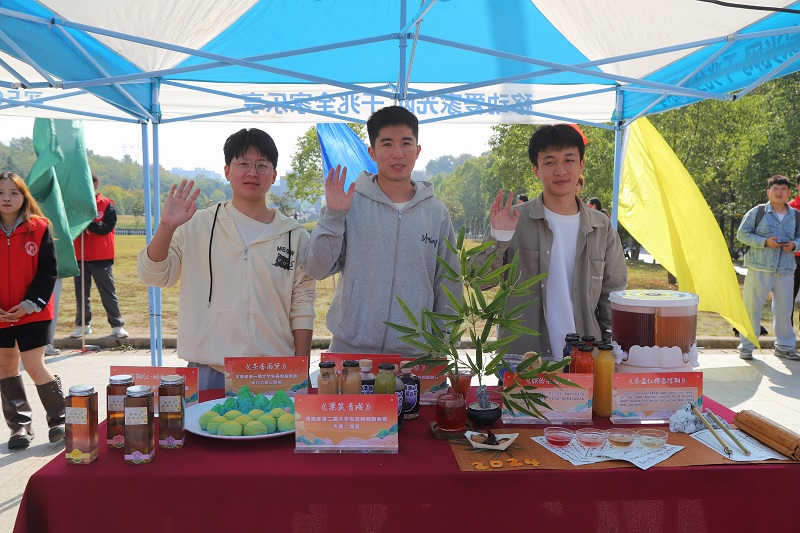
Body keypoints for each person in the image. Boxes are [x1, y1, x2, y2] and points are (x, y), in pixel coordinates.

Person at [137, 129, 317, 390]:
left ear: (274, 175)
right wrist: (166, 227)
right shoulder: (196, 224)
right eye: (243, 164)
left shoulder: (294, 235)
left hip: (274, 372)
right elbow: (154, 275)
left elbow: (302, 306)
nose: (252, 172)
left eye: (262, 165)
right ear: (227, 171)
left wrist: (301, 369)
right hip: (210, 370)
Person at [301, 106, 461, 356]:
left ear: (418, 150)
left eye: (406, 143)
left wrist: (443, 346)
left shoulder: (436, 213)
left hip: (416, 355)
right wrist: (334, 215)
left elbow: (448, 284)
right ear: (372, 152)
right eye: (387, 144)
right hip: (350, 353)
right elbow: (316, 268)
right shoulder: (347, 203)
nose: (398, 153)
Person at [471, 124, 628, 360]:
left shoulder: (601, 227)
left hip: (585, 360)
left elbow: (612, 298)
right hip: (524, 361)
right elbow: (479, 281)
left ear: (582, 164)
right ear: (536, 169)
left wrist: (611, 352)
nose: (560, 170)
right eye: (550, 162)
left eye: (569, 160)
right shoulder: (514, 221)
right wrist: (499, 238)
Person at [0, 172, 65, 449]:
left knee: (34, 365)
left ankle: (60, 420)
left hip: (34, 312)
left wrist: (29, 305)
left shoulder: (39, 227)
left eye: (13, 192)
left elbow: (49, 271)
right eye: (1, 192)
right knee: (5, 365)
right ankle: (20, 427)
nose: (6, 198)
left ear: (23, 196)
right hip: (1, 315)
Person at [736, 175, 800, 361]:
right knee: (752, 309)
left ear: (790, 192)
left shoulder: (796, 215)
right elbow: (742, 234)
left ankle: (785, 347)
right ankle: (747, 346)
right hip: (759, 269)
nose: (779, 193)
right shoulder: (757, 212)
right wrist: (764, 242)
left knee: (784, 311)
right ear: (768, 192)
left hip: (785, 271)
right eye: (775, 189)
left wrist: (794, 245)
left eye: (783, 189)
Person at [71, 173, 128, 339]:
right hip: (80, 256)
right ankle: (83, 325)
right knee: (82, 294)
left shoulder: (107, 204)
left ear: (96, 184)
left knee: (108, 293)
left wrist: (88, 221)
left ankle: (117, 325)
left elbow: (106, 228)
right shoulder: (74, 205)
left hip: (101, 256)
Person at [788, 172, 800, 326]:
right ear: (797, 185)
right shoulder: (788, 207)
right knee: (788, 296)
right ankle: (787, 332)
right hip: (792, 257)